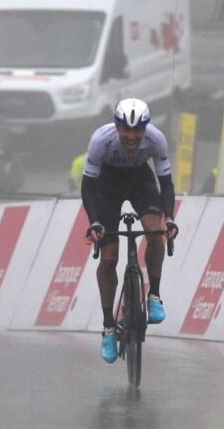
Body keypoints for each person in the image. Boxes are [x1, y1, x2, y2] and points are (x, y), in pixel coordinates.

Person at [82, 98, 179, 364]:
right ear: (116, 125)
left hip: (140, 181)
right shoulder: (101, 140)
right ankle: (108, 327)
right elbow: (88, 187)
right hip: (107, 188)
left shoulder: (156, 140)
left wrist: (169, 218)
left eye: (138, 130)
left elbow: (166, 184)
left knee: (154, 231)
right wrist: (94, 222)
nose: (132, 136)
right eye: (126, 129)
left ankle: (154, 294)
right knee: (109, 258)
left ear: (146, 128)